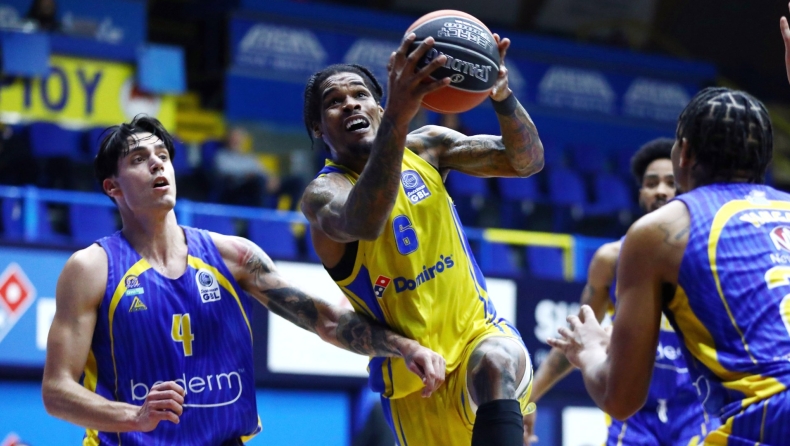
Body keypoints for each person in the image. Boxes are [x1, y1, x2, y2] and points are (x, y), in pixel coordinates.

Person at [41, 115, 446, 445]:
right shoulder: (91, 268)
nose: (157, 164)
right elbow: (57, 391)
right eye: (138, 159)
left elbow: (324, 319)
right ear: (112, 186)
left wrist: (403, 346)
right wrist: (135, 416)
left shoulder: (233, 256)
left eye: (163, 155)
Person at [300, 32, 545, 446]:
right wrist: (398, 116)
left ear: (378, 106)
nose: (351, 104)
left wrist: (502, 95)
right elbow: (366, 221)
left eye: (360, 94)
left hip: (478, 336)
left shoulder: (429, 146)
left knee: (495, 362)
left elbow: (527, 162)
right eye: (334, 102)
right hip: (413, 382)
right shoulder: (323, 194)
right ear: (318, 128)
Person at [548, 27, 787, 442]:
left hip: (769, 419)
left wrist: (588, 350)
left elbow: (621, 398)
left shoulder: (659, 232)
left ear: (684, 153)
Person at [524, 138, 716, 444]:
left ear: (686, 189)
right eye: (651, 183)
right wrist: (528, 398)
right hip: (632, 416)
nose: (661, 190)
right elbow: (575, 339)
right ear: (640, 193)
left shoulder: (710, 255)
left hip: (697, 411)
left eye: (670, 182)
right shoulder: (610, 259)